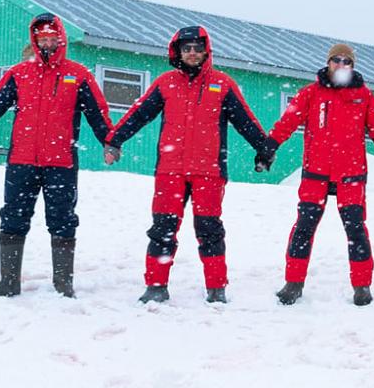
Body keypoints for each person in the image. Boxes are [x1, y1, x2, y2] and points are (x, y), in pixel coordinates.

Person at [103, 25, 277, 304]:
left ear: (205, 51)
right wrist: (114, 140)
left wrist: (263, 149)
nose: (193, 53)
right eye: (187, 49)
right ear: (178, 52)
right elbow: (138, 115)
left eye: (197, 48)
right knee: (162, 228)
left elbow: (245, 121)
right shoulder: (165, 83)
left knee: (209, 229)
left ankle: (216, 288)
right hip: (169, 171)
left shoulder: (222, 84)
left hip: (209, 172)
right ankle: (156, 286)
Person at [0, 13, 114, 298]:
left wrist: (110, 142)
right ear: (35, 41)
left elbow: (98, 114)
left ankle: (63, 283)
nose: (48, 43)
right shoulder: (19, 74)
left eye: (53, 38)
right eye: (43, 39)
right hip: (21, 161)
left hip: (61, 162)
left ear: (61, 40)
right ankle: (9, 281)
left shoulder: (78, 75)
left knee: (62, 219)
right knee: (13, 217)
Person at [265, 43, 374, 307]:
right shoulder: (311, 94)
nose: (341, 65)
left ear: (352, 66)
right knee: (303, 229)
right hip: (315, 174)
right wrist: (269, 146)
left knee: (356, 231)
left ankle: (362, 287)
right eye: (336, 60)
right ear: (328, 63)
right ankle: (293, 284)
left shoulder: (363, 96)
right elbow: (287, 122)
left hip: (351, 175)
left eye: (347, 61)